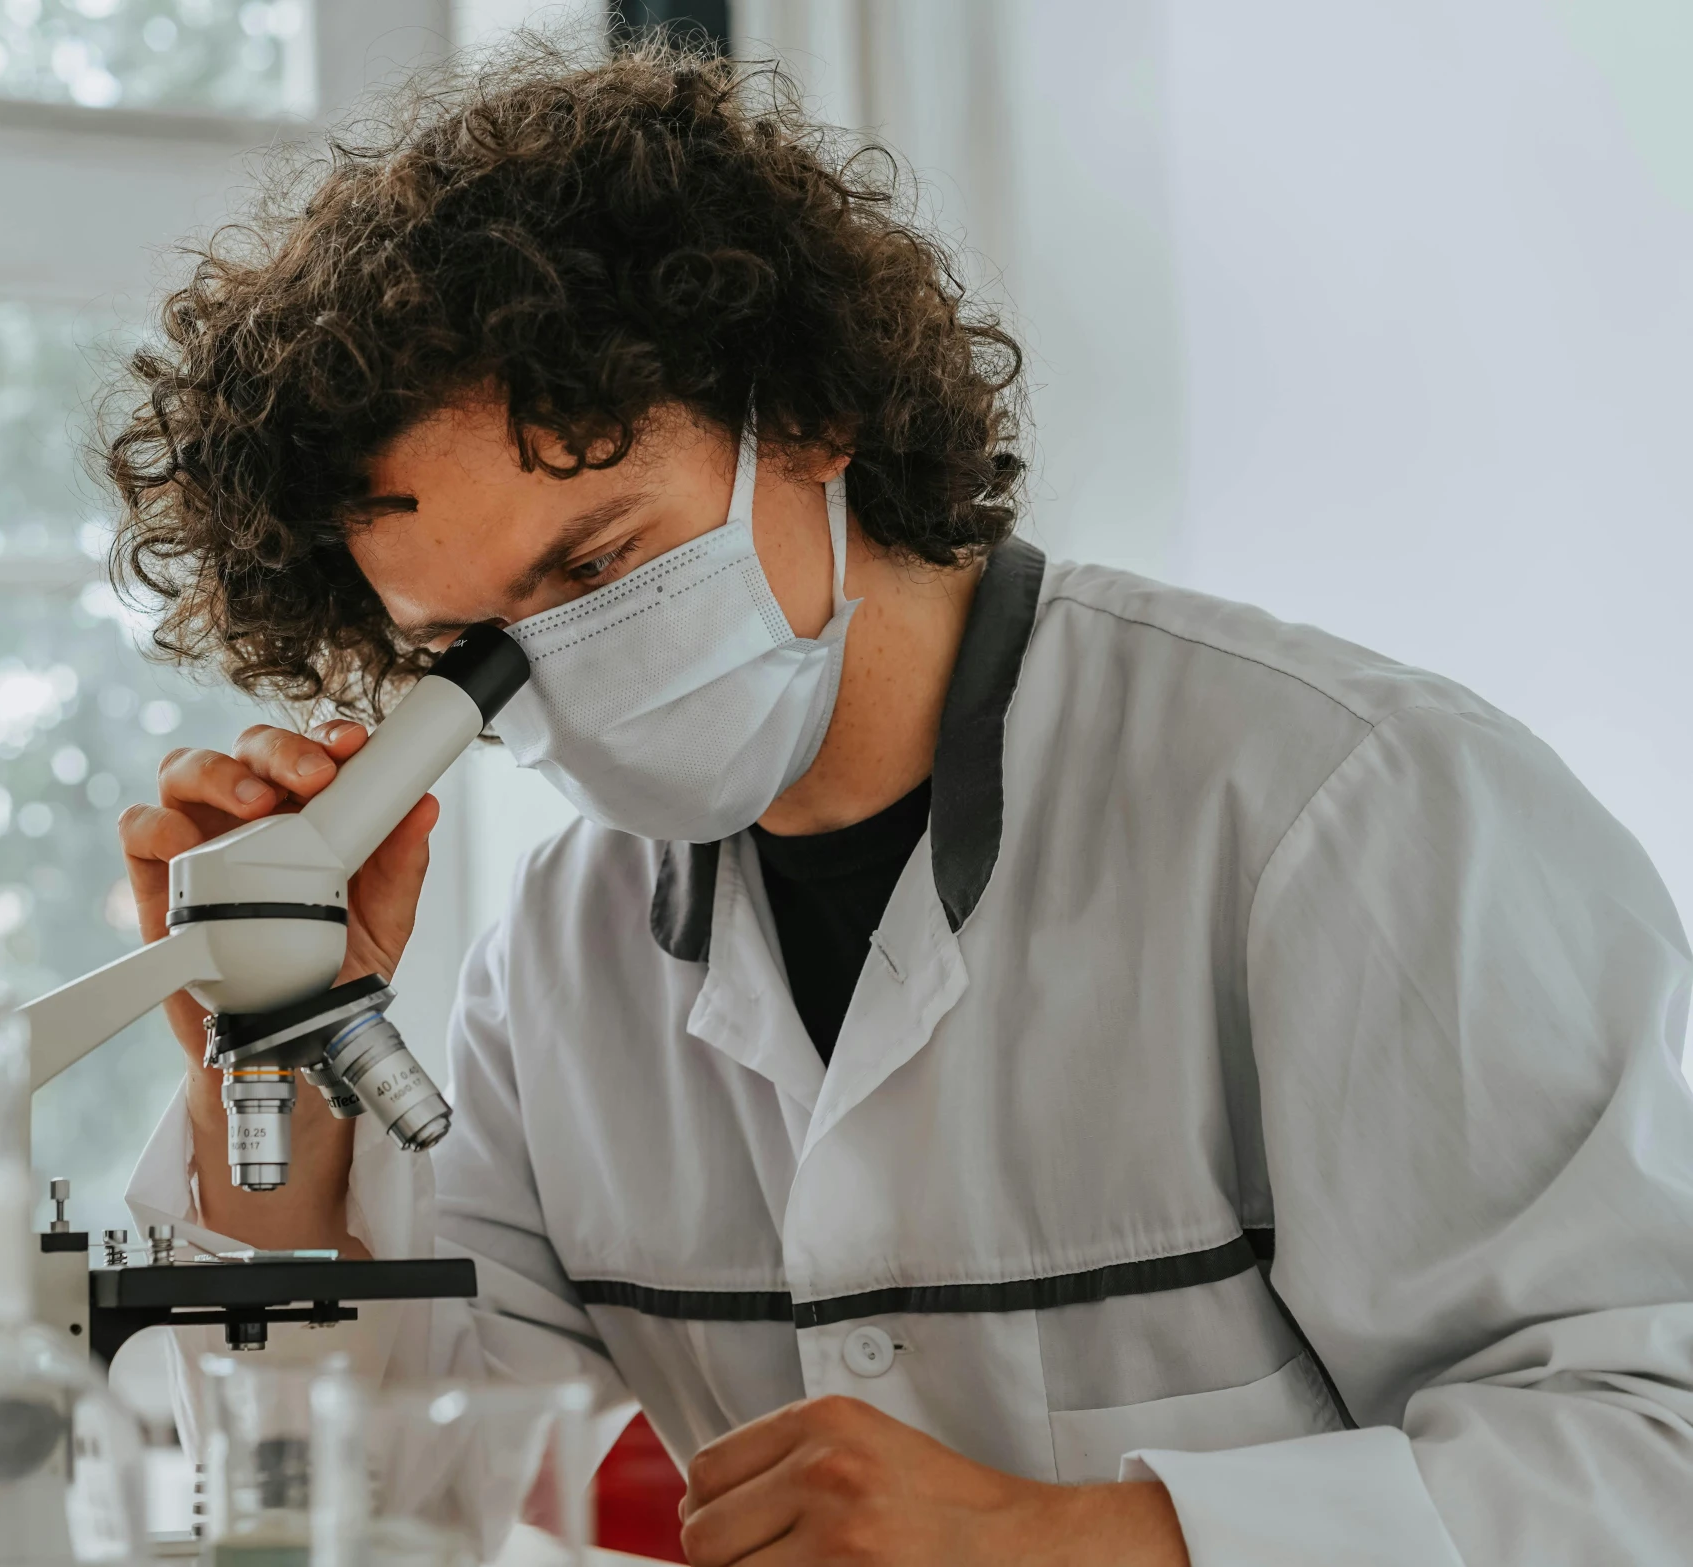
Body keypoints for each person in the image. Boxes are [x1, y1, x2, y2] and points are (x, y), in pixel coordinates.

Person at [100, 43, 1693, 1567]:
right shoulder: (567, 954)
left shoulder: (1340, 803)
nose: (556, 671)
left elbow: (1653, 1451)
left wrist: (1070, 1539)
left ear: (802, 416)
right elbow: (403, 1488)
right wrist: (278, 1056)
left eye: (594, 565)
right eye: (468, 647)